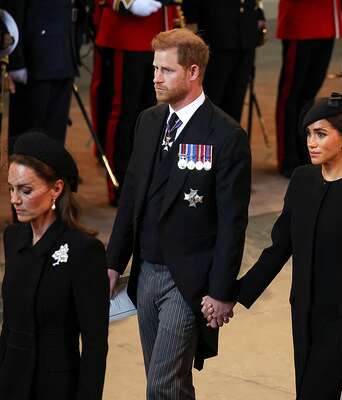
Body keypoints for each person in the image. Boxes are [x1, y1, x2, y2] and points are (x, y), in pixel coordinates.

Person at [204, 93, 342, 399]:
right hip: (304, 319)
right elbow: (279, 249)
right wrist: (231, 295)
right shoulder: (302, 180)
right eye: (309, 133)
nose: (311, 142)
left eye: (321, 134)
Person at [106, 28, 251, 399]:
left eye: (166, 70)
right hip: (145, 273)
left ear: (192, 72)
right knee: (169, 381)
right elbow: (132, 197)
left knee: (162, 384)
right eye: (155, 68)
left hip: (188, 281)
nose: (155, 77)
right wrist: (112, 264)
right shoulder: (149, 121)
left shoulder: (226, 135)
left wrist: (220, 291)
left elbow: (232, 222)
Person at [0, 131, 109, 400]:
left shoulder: (84, 252)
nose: (15, 200)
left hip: (56, 389)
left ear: (56, 189)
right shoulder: (13, 238)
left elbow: (95, 344)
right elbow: (9, 325)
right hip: (10, 384)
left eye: (26, 191)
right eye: (11, 189)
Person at [91, 0, 183, 205]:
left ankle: (144, 180)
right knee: (124, 113)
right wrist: (125, 3)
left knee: (149, 115)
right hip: (127, 32)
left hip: (159, 32)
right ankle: (120, 183)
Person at [4, 0, 87, 150]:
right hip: (34, 59)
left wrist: (75, 42)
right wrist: (15, 60)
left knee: (55, 134)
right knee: (28, 136)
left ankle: (51, 172)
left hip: (65, 53)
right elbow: (12, 10)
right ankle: (24, 173)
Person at [275, 0, 342, 177]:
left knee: (309, 96)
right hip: (302, 22)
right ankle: (288, 156)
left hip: (326, 22)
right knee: (291, 96)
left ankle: (305, 151)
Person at [183, 0, 266, 122]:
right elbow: (190, 10)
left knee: (235, 103)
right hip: (217, 39)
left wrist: (259, 15)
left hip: (246, 38)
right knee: (210, 103)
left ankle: (230, 140)